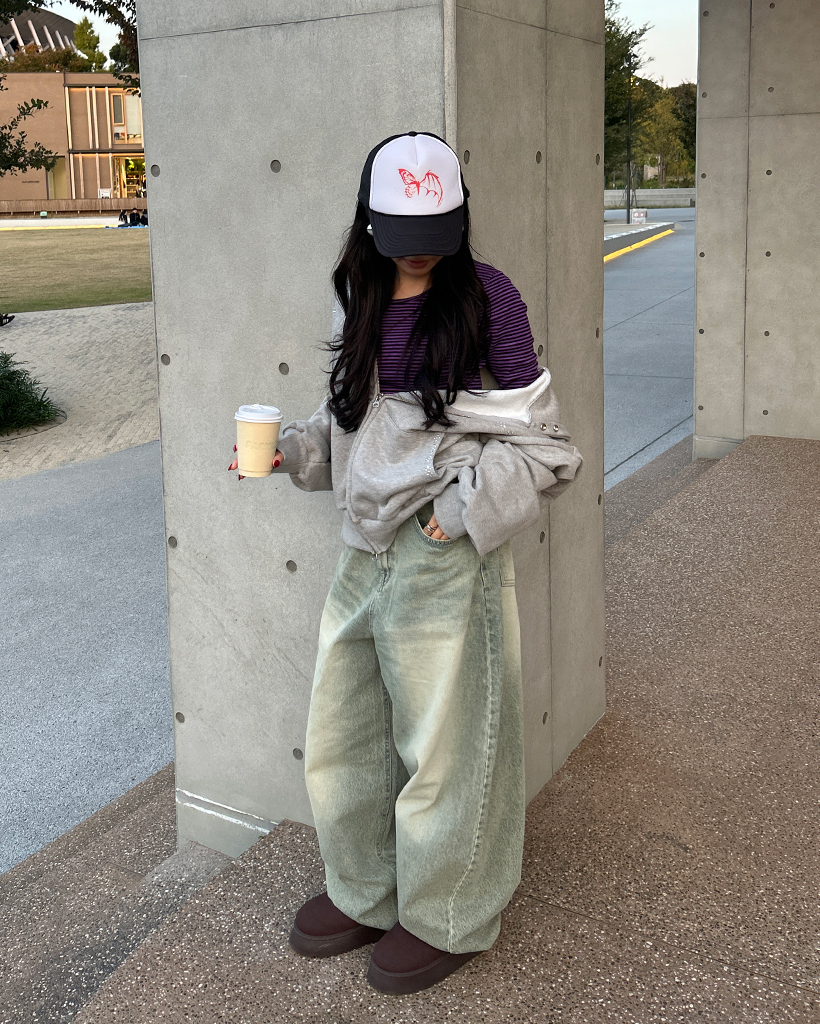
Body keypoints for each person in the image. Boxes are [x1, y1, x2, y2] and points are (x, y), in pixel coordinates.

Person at [228, 131, 582, 994]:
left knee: (447, 746)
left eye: (435, 231)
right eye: (401, 233)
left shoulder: (489, 298)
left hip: (443, 552)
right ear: (369, 223)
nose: (419, 251)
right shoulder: (358, 293)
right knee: (344, 736)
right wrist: (295, 454)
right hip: (362, 549)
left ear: (459, 218)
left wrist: (455, 515)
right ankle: (367, 890)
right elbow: (353, 421)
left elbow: (545, 447)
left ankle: (449, 912)